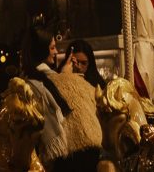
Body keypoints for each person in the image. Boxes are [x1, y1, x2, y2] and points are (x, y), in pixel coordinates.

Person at [31, 36, 102, 172]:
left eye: (84, 63)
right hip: (68, 154)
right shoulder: (56, 80)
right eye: (76, 62)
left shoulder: (96, 85)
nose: (79, 67)